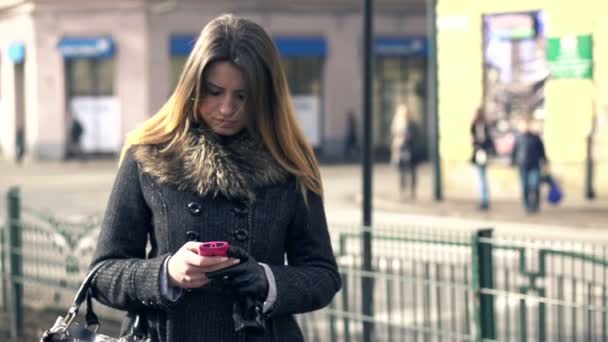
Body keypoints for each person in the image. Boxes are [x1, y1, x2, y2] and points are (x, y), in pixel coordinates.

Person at [88, 14, 341, 341]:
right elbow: (102, 273)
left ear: (266, 97)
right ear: (192, 86)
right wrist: (167, 273)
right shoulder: (150, 154)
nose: (226, 108)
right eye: (214, 91)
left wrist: (266, 280)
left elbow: (323, 276)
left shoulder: (290, 161)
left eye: (242, 96)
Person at [511, 117, 548, 213]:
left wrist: (544, 161)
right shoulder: (518, 138)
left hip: (534, 165)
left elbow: (542, 151)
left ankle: (536, 205)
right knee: (525, 187)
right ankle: (526, 205)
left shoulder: (536, 137)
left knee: (535, 185)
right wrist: (512, 161)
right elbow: (514, 151)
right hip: (523, 166)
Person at [390, 104, 419, 199]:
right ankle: (402, 191)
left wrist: (409, 137)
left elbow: (415, 136)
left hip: (411, 150)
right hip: (401, 150)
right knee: (402, 172)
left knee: (412, 172)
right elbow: (394, 138)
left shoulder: (412, 124)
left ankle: (412, 191)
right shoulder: (397, 125)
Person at [470, 107, 495, 210]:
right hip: (478, 154)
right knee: (481, 179)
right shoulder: (474, 126)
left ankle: (484, 200)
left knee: (482, 179)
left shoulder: (484, 126)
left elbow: (488, 141)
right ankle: (483, 200)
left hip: (483, 154)